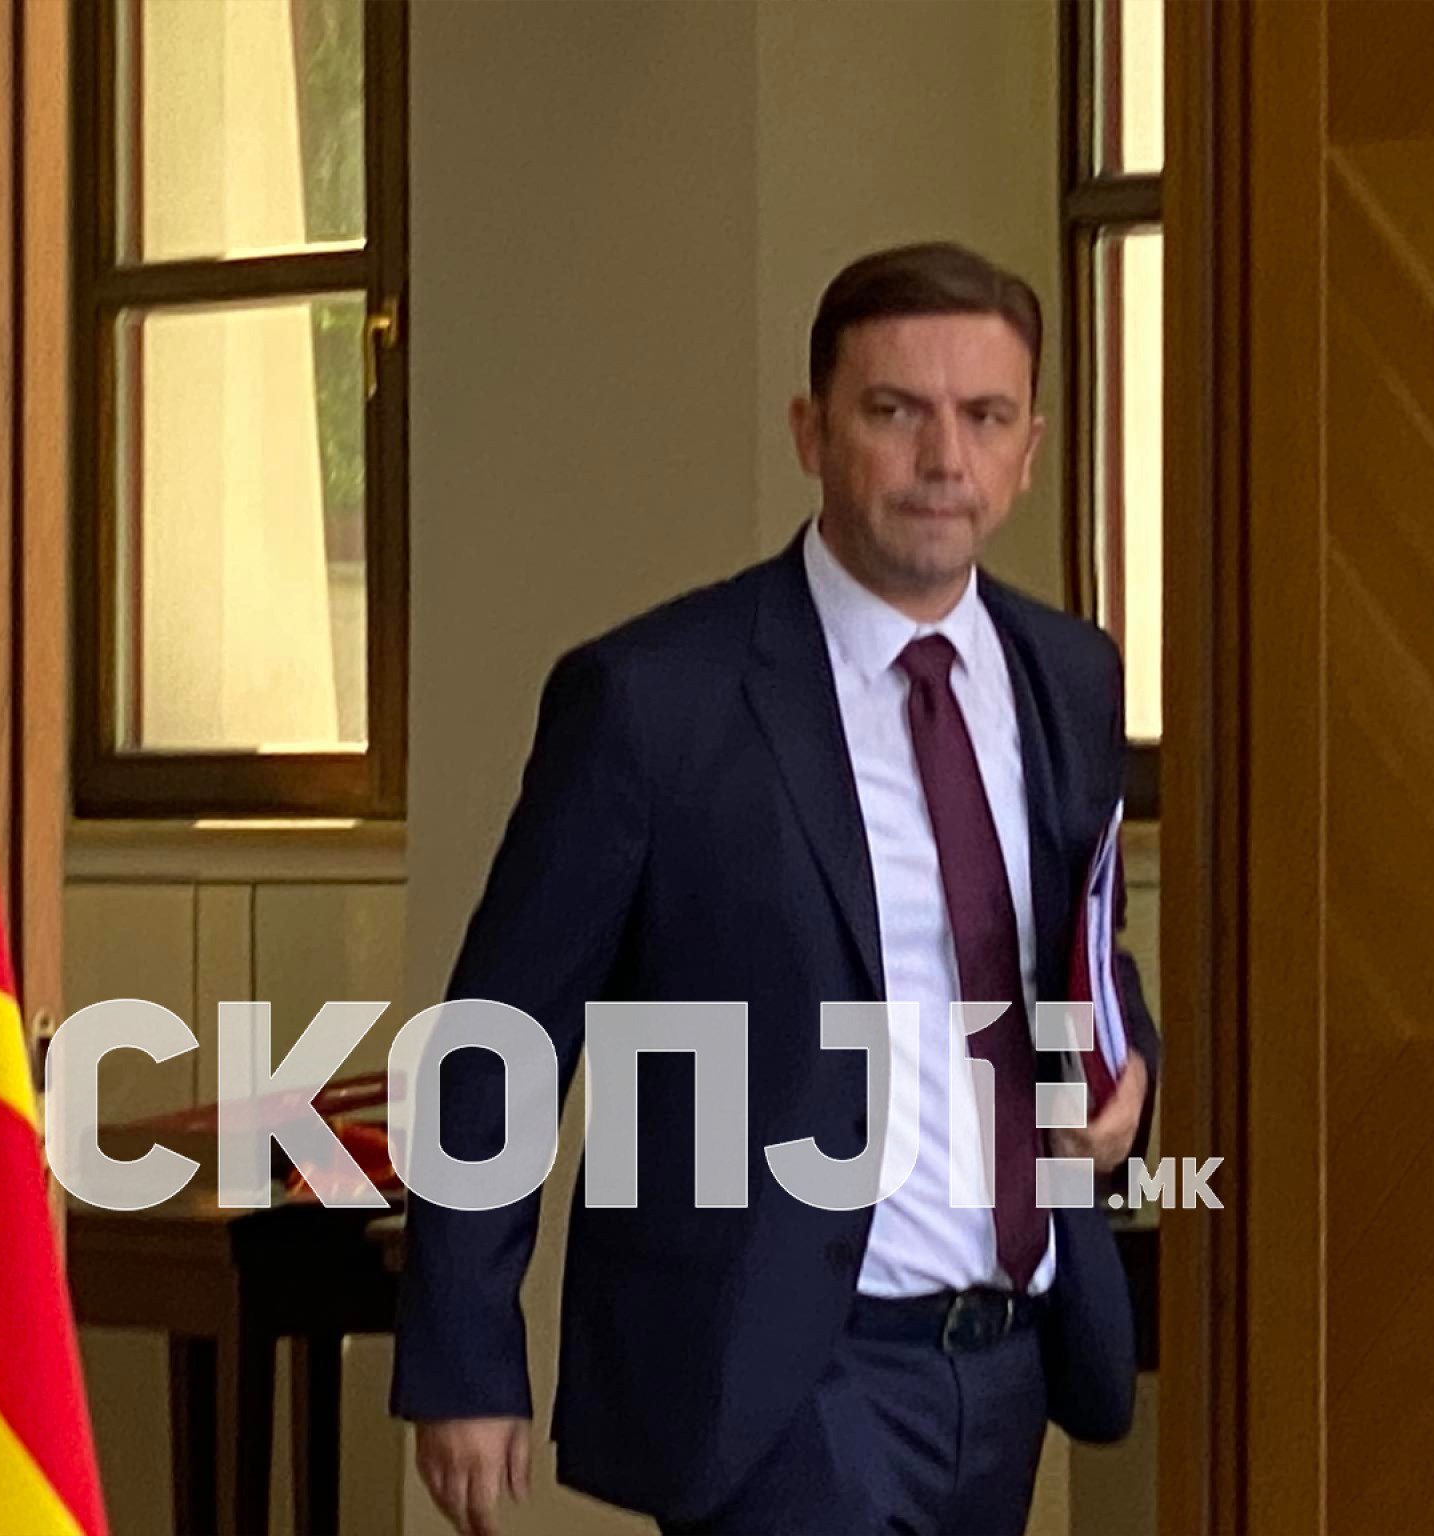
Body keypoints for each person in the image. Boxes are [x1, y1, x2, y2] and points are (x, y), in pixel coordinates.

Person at [391, 241, 1160, 1536]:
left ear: (1031, 451)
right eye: (895, 412)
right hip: (782, 1383)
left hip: (1007, 1362)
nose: (944, 459)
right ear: (813, 432)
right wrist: (465, 1357)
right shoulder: (654, 700)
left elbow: (1085, 947)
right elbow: (500, 1038)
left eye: (985, 418)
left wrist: (1126, 1068)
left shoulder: (1067, 677)